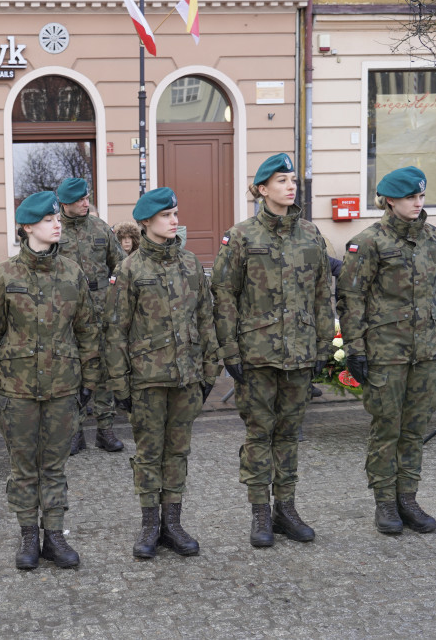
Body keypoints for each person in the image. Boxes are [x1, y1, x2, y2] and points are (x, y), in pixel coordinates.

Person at [210, 153, 335, 548]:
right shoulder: (242, 236)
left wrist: (323, 346)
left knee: (289, 434)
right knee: (259, 434)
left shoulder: (311, 234)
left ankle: (287, 509)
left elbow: (320, 294)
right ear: (262, 190)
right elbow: (224, 294)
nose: (290, 186)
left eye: (292, 179)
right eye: (281, 180)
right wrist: (230, 352)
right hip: (257, 354)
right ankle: (260, 512)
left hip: (299, 352)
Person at [0, 190, 99, 570]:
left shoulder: (72, 273)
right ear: (28, 227)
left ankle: (55, 536)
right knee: (24, 467)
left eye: (56, 219)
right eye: (48, 220)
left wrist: (90, 380)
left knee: (55, 467)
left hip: (63, 384)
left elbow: (88, 330)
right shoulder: (5, 274)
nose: (57, 224)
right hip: (17, 387)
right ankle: (29, 536)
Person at [337, 166, 436, 535]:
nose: (417, 203)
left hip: (427, 350)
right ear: (389, 200)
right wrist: (355, 349)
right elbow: (350, 298)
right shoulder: (369, 242)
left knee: (415, 428)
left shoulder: (435, 239)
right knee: (387, 427)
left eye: (421, 197)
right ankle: (385, 501)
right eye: (410, 198)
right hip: (386, 351)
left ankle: (408, 497)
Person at [105, 187, 220, 559]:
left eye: (175, 214)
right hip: (148, 379)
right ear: (146, 223)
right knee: (149, 454)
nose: (175, 221)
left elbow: (205, 318)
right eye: (167, 215)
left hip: (186, 377)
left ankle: (173, 523)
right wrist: (120, 384)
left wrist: (209, 370)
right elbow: (117, 330)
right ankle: (150, 525)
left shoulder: (190, 263)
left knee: (178, 452)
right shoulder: (129, 269)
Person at [55, 177, 126, 454]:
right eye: (80, 200)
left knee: (104, 371)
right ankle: (75, 431)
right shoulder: (54, 230)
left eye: (87, 198)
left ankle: (105, 430)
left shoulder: (100, 228)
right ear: (64, 204)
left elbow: (119, 265)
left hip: (101, 310)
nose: (86, 203)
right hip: (68, 313)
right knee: (73, 371)